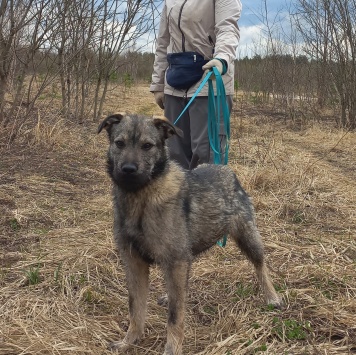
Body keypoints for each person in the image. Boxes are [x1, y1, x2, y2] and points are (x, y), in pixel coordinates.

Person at [150, 0, 242, 170]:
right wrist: (158, 84)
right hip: (175, 84)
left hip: (209, 81)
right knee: (174, 159)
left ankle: (206, 197)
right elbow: (163, 42)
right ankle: (179, 198)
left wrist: (222, 58)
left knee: (206, 161)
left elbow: (228, 28)